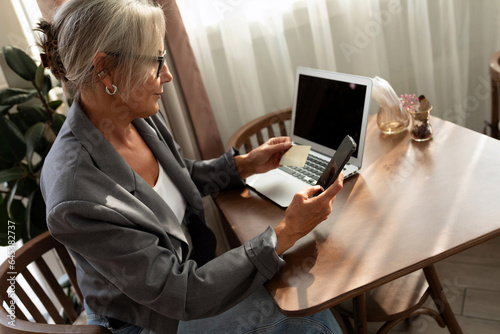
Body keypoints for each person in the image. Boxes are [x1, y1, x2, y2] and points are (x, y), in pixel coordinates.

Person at [38, 0, 344, 333]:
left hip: (191, 277)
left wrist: (242, 165)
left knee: (304, 285)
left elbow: (178, 177)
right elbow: (180, 294)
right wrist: (287, 232)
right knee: (310, 315)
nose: (166, 75)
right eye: (156, 62)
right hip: (153, 318)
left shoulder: (131, 114)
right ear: (106, 69)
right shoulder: (75, 193)